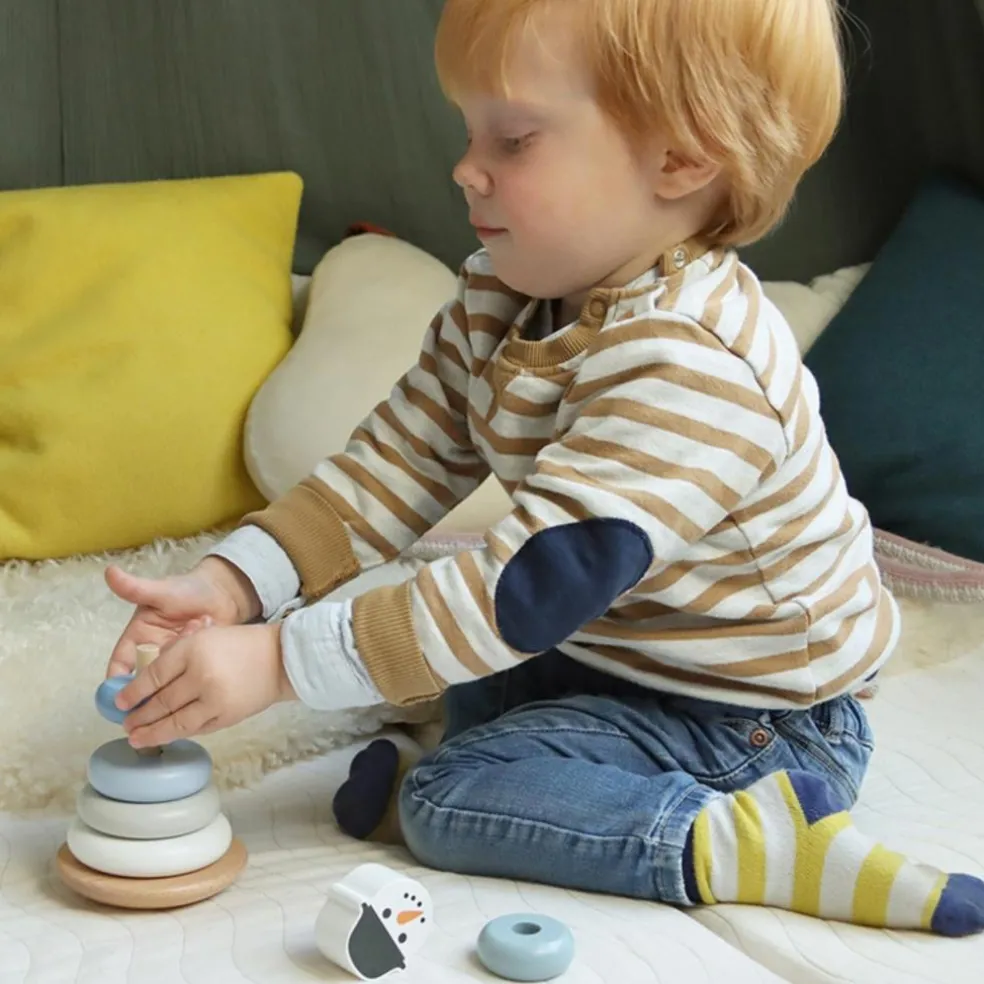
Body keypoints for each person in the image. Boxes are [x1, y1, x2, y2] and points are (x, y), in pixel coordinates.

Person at [106, 0, 984, 936]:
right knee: (438, 677)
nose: (465, 166)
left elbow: (519, 592)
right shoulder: (506, 293)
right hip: (614, 653)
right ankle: (538, 769)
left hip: (758, 720)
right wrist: (237, 583)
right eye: (468, 128)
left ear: (681, 159)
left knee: (453, 793)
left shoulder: (693, 368)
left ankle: (740, 838)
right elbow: (392, 464)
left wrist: (281, 661)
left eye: (513, 139)